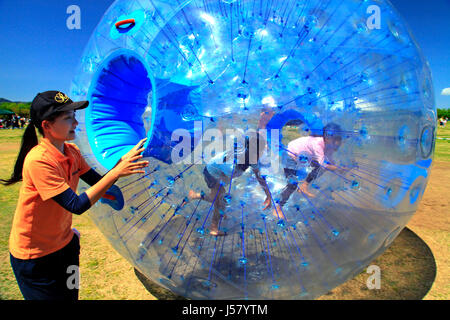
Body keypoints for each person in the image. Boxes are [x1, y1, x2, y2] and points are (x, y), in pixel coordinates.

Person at [1, 91, 149, 300]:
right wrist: (117, 171)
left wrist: (121, 163)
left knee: (71, 297)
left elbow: (98, 183)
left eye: (74, 116)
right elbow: (76, 205)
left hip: (66, 247)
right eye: (68, 118)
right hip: (35, 258)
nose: (75, 123)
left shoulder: (72, 152)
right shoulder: (39, 160)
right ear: (47, 126)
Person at [188, 132, 272, 236]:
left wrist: (268, 195)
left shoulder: (251, 158)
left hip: (222, 173)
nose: (264, 151)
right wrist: (220, 204)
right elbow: (223, 177)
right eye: (262, 149)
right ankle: (213, 228)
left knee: (216, 198)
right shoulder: (232, 164)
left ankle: (195, 195)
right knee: (220, 201)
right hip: (212, 173)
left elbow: (259, 177)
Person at [273, 123, 345, 220]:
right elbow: (324, 164)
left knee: (321, 168)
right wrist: (337, 168)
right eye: (337, 140)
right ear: (328, 138)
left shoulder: (329, 145)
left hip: (304, 156)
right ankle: (277, 208)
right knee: (292, 185)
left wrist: (339, 168)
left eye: (340, 139)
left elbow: (330, 161)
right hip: (291, 154)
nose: (339, 143)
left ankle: (304, 185)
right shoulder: (317, 144)